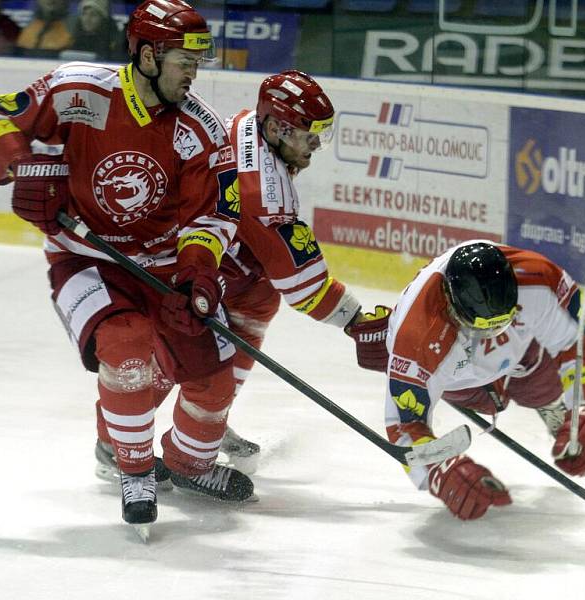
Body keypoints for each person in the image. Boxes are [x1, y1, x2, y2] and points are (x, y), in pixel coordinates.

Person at [0, 0, 256, 536]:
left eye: (197, 62)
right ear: (147, 54)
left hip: (166, 266)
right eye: (183, 61)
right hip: (84, 256)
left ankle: (189, 465)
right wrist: (17, 164)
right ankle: (134, 469)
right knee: (126, 348)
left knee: (213, 380)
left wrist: (196, 273)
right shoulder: (77, 90)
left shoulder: (199, 128)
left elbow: (215, 214)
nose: (192, 74)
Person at [92, 69, 392, 481]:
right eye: (310, 135)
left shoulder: (247, 125)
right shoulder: (264, 196)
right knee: (186, 355)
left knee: (256, 300)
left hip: (207, 256)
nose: (318, 145)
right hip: (181, 266)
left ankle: (205, 423)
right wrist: (358, 322)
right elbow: (304, 287)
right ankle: (146, 449)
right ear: (277, 128)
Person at [381, 241, 585, 520]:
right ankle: (499, 390)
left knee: (541, 383)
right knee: (492, 400)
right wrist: (439, 471)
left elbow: (575, 336)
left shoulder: (537, 276)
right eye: (485, 326)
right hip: (461, 378)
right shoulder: (417, 336)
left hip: (522, 353)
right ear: (450, 298)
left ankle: (547, 402)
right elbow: (404, 423)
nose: (494, 332)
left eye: (503, 321)